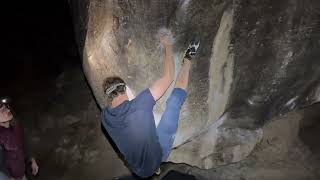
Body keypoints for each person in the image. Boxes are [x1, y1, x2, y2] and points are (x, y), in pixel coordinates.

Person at [101, 31, 200, 178]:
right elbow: (168, 77)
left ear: (108, 97)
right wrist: (167, 45)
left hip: (138, 171)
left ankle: (153, 168)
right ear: (125, 88)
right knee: (174, 102)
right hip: (157, 155)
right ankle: (187, 60)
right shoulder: (140, 104)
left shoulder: (104, 117)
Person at [0, 98, 39, 180]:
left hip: (22, 174)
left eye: (6, 107)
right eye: (3, 110)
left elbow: (25, 143)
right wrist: (9, 177)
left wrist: (32, 160)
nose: (8, 110)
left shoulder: (16, 126)